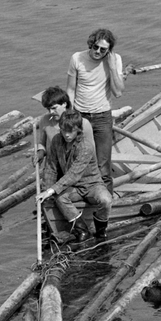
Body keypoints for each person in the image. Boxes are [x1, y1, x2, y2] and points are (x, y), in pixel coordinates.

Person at [38, 109, 111, 241]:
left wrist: (50, 190)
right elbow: (51, 167)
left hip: (92, 185)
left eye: (70, 131)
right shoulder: (56, 141)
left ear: (78, 129)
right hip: (74, 187)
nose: (66, 134)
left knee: (106, 200)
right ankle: (81, 229)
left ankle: (100, 230)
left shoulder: (86, 147)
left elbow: (73, 174)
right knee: (58, 197)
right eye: (63, 130)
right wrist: (46, 191)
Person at [66, 28, 125, 193]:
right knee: (79, 161)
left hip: (102, 118)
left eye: (103, 50)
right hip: (80, 117)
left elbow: (118, 92)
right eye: (95, 47)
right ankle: (82, 197)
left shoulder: (115, 60)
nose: (98, 52)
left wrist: (112, 67)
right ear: (91, 44)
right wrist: (68, 116)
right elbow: (70, 89)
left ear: (109, 51)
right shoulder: (77, 58)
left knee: (103, 166)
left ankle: (106, 203)